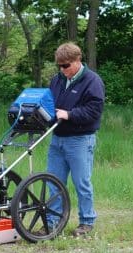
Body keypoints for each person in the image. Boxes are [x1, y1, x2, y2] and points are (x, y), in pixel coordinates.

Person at [47, 42, 105, 236]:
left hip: (80, 140)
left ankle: (86, 222)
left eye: (66, 65)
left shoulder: (92, 81)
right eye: (60, 66)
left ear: (78, 60)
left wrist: (69, 114)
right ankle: (53, 223)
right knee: (53, 182)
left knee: (82, 182)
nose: (63, 70)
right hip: (57, 139)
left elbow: (94, 110)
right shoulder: (57, 80)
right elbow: (49, 104)